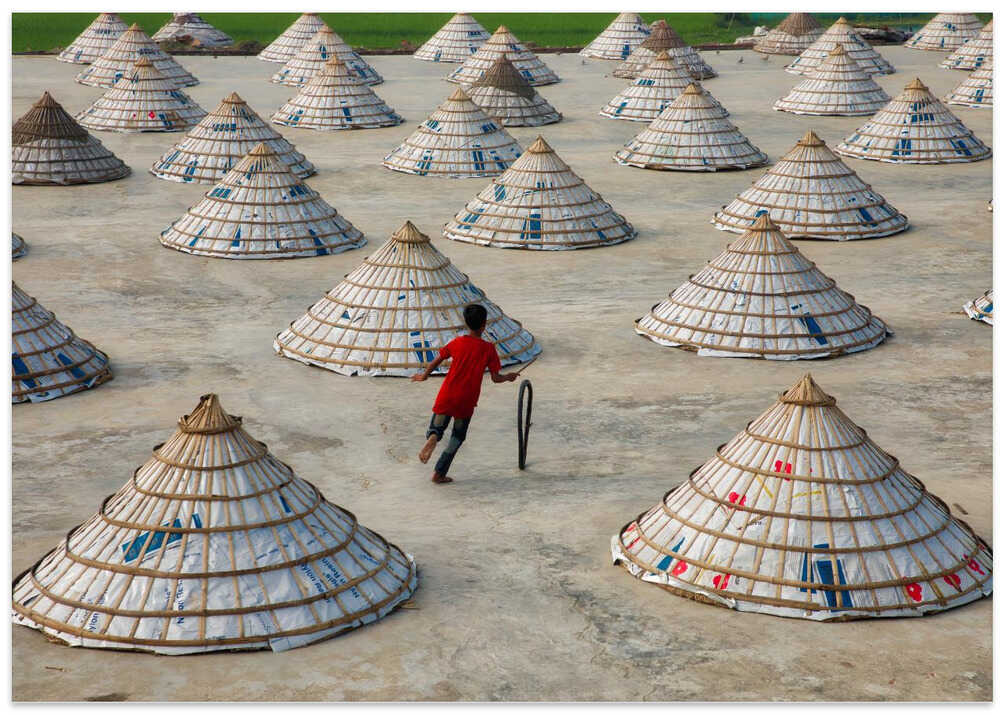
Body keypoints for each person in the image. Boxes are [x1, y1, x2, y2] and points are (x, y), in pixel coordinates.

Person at [410, 304, 518, 484]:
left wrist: (424, 376)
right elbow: (495, 378)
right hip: (466, 400)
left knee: (436, 428)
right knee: (457, 437)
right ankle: (439, 473)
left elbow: (437, 359)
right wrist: (509, 377)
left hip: (447, 395)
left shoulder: (457, 343)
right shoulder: (488, 349)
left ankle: (434, 437)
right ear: (484, 325)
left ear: (466, 323)